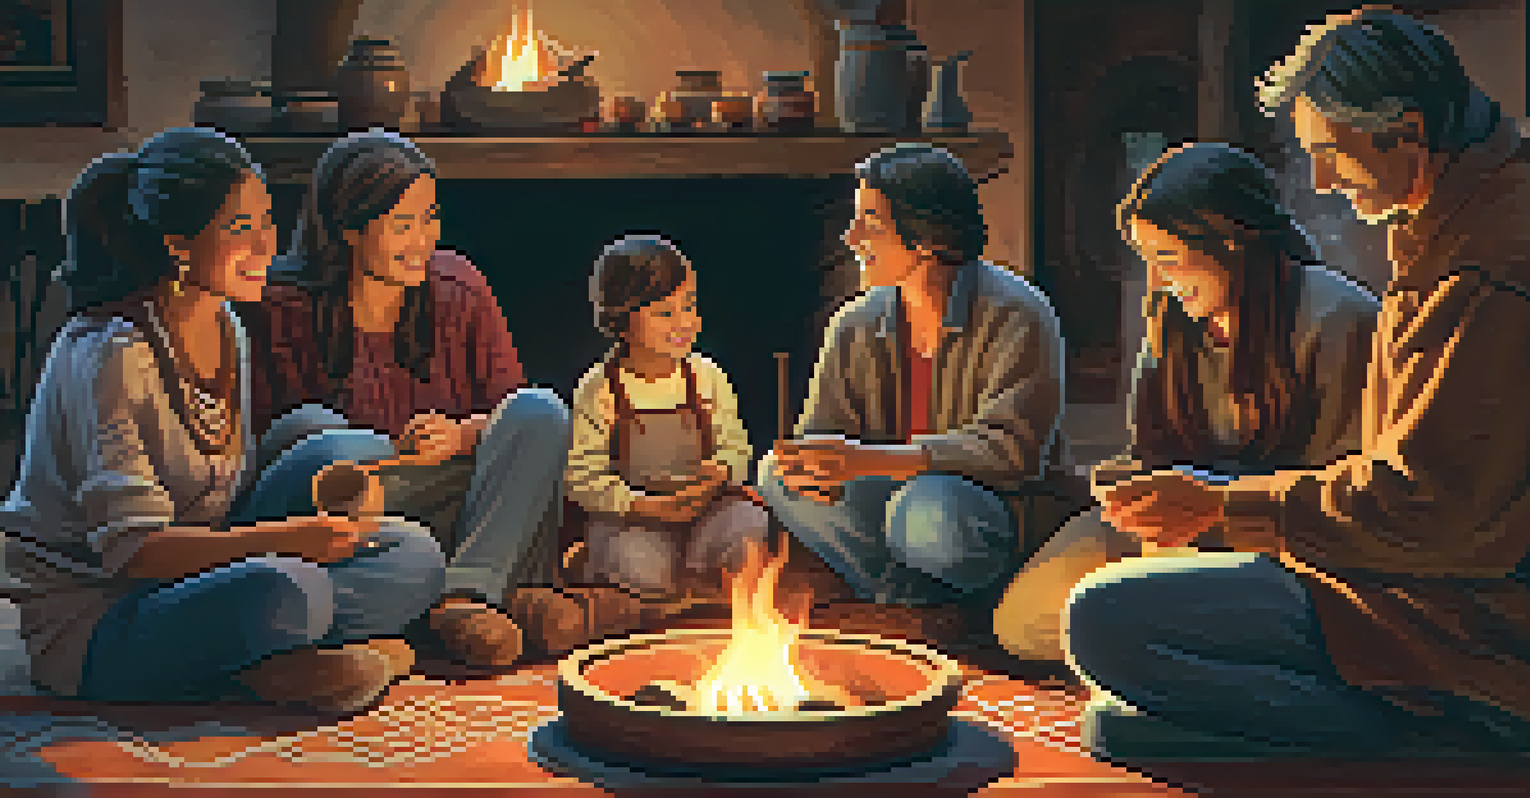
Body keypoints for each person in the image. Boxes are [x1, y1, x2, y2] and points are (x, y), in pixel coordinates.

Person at [1067, 5, 1530, 762]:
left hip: (1464, 618)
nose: (1318, 180)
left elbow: (1426, 507)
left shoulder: (1485, 271)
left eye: (1331, 152)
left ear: (1409, 132)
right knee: (1104, 665)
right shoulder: (1456, 218)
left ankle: (1433, 729)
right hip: (1398, 574)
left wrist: (1223, 506)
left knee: (1104, 622)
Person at [0, 128, 443, 713]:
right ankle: (284, 656)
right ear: (178, 245)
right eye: (241, 227)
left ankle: (268, 656)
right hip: (103, 613)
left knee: (415, 556)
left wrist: (305, 527)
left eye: (267, 221)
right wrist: (287, 542)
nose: (266, 243)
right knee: (292, 589)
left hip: (198, 569)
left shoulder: (227, 324)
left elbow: (228, 497)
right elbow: (132, 553)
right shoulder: (113, 355)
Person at [992, 142, 1379, 664]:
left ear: (1233, 243)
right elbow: (1153, 451)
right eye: (1149, 261)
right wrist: (1131, 486)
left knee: (1110, 621)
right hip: (1181, 526)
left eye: (1169, 260)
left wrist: (1214, 504)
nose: (1157, 281)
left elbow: (1346, 494)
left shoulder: (1337, 320)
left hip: (1282, 540)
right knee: (1022, 622)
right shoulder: (1172, 320)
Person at [239, 130, 571, 671]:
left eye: (429, 219)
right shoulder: (278, 306)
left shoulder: (458, 288)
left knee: (542, 409)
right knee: (313, 428)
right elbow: (264, 456)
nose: (422, 240)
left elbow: (513, 418)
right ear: (348, 227)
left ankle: (465, 600)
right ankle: (423, 608)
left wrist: (460, 435)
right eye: (402, 225)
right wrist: (363, 458)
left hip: (456, 506)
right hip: (352, 517)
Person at [755, 143, 1086, 637]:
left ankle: (954, 593)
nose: (851, 238)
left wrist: (868, 461)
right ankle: (912, 597)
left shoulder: (1019, 313)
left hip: (985, 508)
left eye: (871, 223)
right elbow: (826, 436)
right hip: (887, 502)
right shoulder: (854, 323)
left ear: (928, 238)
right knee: (776, 475)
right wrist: (812, 465)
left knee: (925, 511)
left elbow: (1013, 454)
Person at [565, 234, 770, 603]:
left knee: (749, 525)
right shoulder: (600, 389)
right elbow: (582, 477)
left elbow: (737, 448)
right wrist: (647, 507)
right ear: (621, 320)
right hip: (633, 521)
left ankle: (694, 584)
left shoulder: (708, 378)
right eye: (664, 313)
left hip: (702, 513)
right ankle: (618, 573)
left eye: (689, 306)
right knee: (639, 565)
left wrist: (720, 472)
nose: (683, 322)